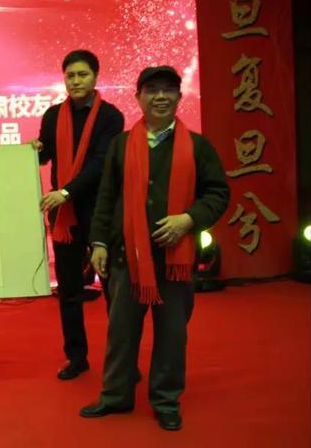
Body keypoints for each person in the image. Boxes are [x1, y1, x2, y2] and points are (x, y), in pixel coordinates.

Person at [79, 66, 230, 431]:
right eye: (152, 90)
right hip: (126, 258)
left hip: (175, 260)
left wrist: (188, 219)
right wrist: (98, 242)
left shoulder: (197, 146)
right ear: (138, 97)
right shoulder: (121, 145)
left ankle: (165, 400)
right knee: (121, 333)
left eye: (168, 90)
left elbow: (218, 193)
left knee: (172, 336)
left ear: (179, 97)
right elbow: (106, 197)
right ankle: (115, 395)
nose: (160, 96)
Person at [32, 50, 124, 380]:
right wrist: (34, 151)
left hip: (100, 211)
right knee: (69, 290)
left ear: (96, 77)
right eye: (70, 75)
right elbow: (45, 154)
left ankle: (121, 359)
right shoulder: (53, 115)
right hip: (65, 216)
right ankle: (76, 357)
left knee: (113, 289)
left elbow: (99, 164)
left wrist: (66, 192)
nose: (75, 81)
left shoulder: (111, 117)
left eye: (82, 74)